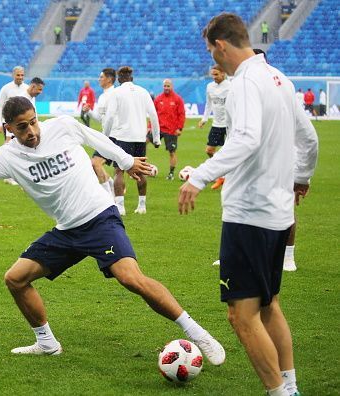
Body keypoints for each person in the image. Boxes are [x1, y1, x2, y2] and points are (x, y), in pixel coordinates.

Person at [0, 96, 226, 364]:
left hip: (99, 218)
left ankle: (198, 334)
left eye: (33, 122)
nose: (32, 130)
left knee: (131, 278)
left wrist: (127, 161)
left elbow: (97, 140)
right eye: (22, 126)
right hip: (66, 231)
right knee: (15, 279)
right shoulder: (8, 157)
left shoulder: (62, 126)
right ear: (8, 128)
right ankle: (47, 343)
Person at [179, 13, 318, 395]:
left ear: (221, 46)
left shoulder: (243, 83)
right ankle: (290, 386)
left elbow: (246, 139)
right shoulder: (279, 79)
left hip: (249, 214)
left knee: (241, 316)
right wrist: (301, 179)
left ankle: (280, 393)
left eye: (211, 50)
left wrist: (200, 176)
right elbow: (310, 141)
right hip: (277, 214)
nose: (213, 58)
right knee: (269, 305)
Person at [104, 66, 160, 215]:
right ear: (132, 77)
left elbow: (109, 117)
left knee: (119, 171)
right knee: (140, 171)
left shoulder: (116, 93)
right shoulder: (143, 92)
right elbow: (153, 115)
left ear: (119, 78)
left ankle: (121, 207)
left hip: (123, 137)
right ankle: (142, 206)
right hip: (140, 138)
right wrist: (156, 138)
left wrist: (105, 136)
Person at [82, 67, 116, 196]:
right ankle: (111, 187)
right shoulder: (102, 96)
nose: (99, 79)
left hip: (114, 136)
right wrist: (89, 111)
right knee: (95, 164)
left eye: (101, 77)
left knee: (96, 163)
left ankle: (108, 196)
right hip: (106, 136)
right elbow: (100, 118)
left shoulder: (115, 94)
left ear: (109, 79)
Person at [198, 64, 230, 190]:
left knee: (229, 153)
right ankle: (221, 174)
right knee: (209, 151)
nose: (214, 77)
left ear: (223, 73)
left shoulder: (231, 86)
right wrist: (204, 119)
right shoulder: (210, 87)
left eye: (216, 74)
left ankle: (225, 178)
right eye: (213, 74)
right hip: (216, 124)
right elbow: (208, 104)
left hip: (229, 125)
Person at [0, 66, 28, 185]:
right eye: (18, 75)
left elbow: (32, 107)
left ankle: (12, 175)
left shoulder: (27, 88)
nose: (20, 77)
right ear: (13, 75)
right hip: (9, 123)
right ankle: (10, 175)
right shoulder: (6, 88)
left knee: (21, 148)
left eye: (22, 75)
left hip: (23, 123)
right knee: (12, 148)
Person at [154, 79, 185, 180]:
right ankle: (141, 168)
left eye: (168, 86)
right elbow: (153, 114)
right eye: (165, 86)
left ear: (172, 86)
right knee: (143, 142)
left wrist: (179, 128)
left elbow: (181, 114)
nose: (166, 88)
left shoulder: (177, 99)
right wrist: (150, 126)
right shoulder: (158, 98)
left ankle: (171, 173)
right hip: (158, 128)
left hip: (171, 130)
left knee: (171, 152)